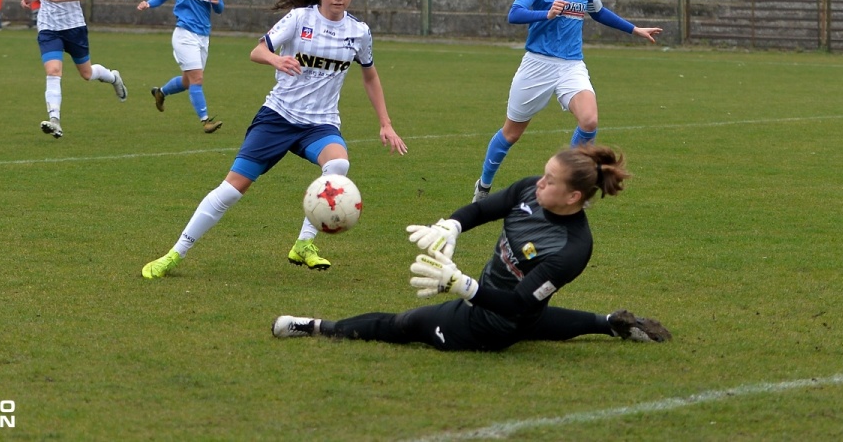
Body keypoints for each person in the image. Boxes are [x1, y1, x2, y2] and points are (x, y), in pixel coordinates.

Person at [142, 0, 408, 279]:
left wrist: (386, 122)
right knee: (231, 189)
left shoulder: (359, 32)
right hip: (277, 118)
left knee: (339, 165)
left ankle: (304, 244)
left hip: (320, 124)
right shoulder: (300, 18)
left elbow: (370, 76)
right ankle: (175, 253)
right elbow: (257, 51)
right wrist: (275, 58)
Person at [272, 144, 672, 351]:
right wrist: (451, 225)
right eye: (545, 173)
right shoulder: (529, 192)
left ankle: (312, 327)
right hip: (524, 313)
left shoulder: (572, 248)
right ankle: (611, 323)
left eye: (551, 181)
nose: (540, 183)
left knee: (405, 325)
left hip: (489, 324)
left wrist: (462, 286)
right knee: (535, 321)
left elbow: (515, 304)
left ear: (573, 199)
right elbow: (485, 209)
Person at [472, 0, 663, 203]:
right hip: (537, 64)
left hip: (571, 65)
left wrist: (634, 29)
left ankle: (569, 184)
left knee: (589, 120)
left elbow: (598, 13)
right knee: (511, 133)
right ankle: (484, 186)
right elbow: (515, 14)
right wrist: (545, 14)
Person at [20, 0, 128, 139]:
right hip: (49, 28)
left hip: (73, 26)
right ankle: (55, 120)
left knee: (87, 74)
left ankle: (113, 77)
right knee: (53, 71)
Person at [138, 0, 224, 134]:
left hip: (203, 37)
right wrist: (148, 3)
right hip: (184, 35)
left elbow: (219, 9)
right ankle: (206, 121)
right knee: (197, 78)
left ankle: (161, 92)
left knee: (188, 81)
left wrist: (217, 3)